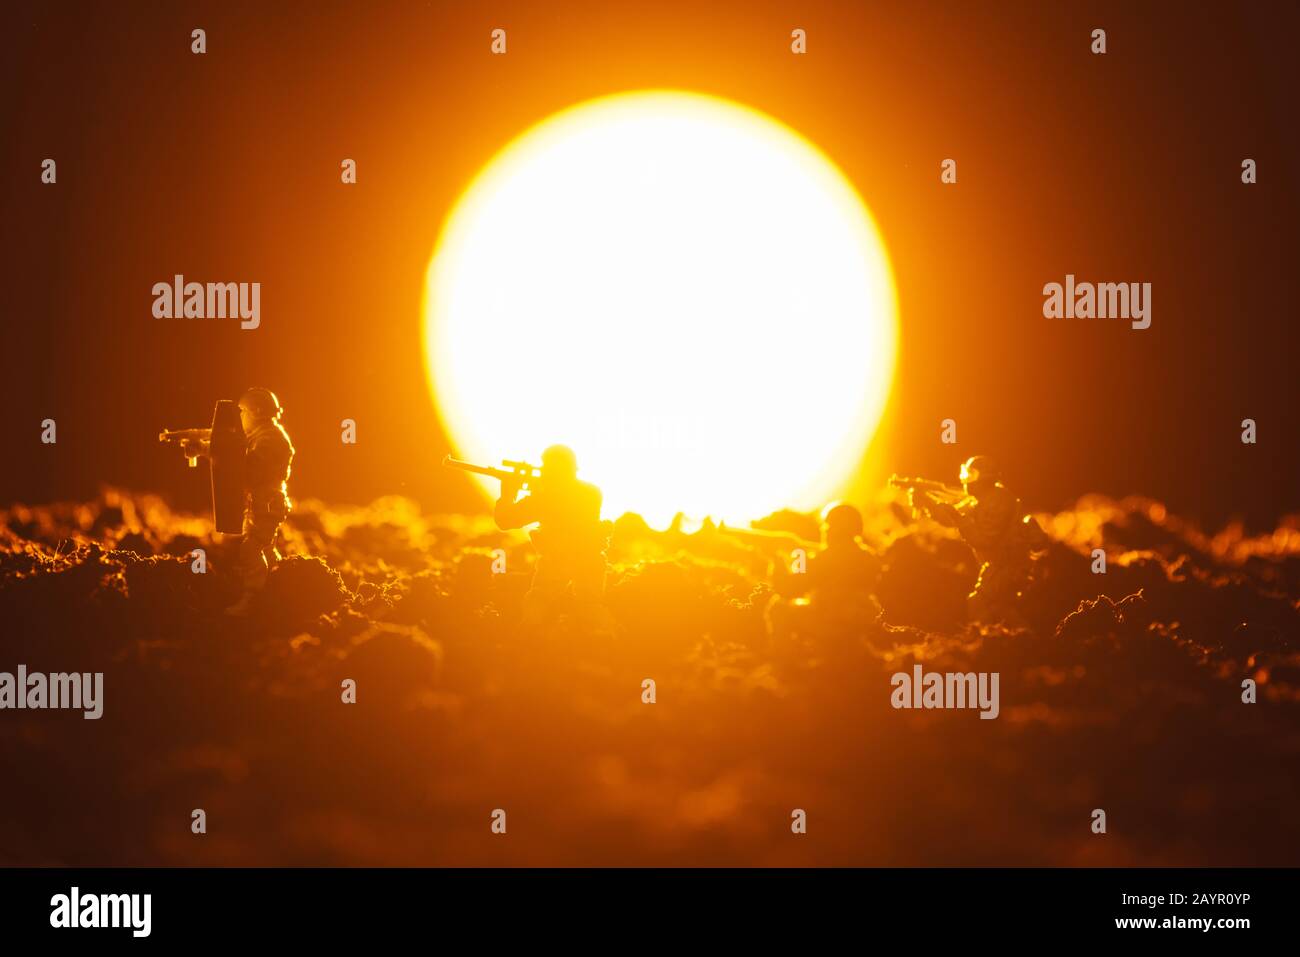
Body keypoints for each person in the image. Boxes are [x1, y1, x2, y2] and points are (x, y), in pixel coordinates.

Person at [183, 388, 294, 616]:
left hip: (267, 504)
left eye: (242, 412)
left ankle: (254, 599)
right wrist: (207, 445)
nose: (240, 417)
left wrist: (209, 449)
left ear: (256, 412)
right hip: (261, 503)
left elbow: (244, 469)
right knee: (265, 548)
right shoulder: (263, 435)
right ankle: (278, 587)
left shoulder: (270, 440)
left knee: (251, 550)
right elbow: (236, 453)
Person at [909, 455, 1046, 623]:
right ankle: (1017, 640)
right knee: (1001, 609)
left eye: (971, 475)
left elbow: (985, 540)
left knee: (978, 604)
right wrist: (927, 502)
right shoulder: (982, 500)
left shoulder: (998, 502)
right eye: (965, 474)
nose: (966, 480)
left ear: (985, 478)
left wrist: (959, 519)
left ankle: (990, 642)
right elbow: (951, 517)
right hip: (1000, 566)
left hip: (1007, 568)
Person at [493, 445, 610, 629]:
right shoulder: (592, 492)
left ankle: (529, 635)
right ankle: (606, 636)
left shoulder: (545, 498)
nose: (543, 470)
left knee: (538, 600)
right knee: (591, 606)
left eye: (547, 467)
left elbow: (505, 521)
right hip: (590, 559)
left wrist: (508, 494)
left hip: (558, 559)